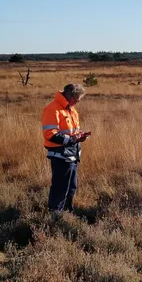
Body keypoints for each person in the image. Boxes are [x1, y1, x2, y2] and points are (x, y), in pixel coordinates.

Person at [42, 83, 89, 215]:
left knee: (71, 186)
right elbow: (49, 134)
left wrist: (80, 136)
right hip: (60, 155)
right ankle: (55, 213)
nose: (77, 102)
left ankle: (67, 213)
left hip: (72, 154)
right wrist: (71, 140)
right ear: (69, 95)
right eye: (76, 99)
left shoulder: (71, 109)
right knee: (60, 186)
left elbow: (74, 130)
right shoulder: (53, 109)